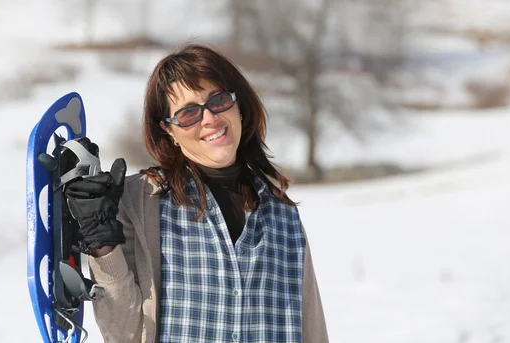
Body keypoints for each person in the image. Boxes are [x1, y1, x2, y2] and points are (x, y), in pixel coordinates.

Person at [64, 43, 328, 343]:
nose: (209, 118)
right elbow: (125, 334)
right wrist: (103, 248)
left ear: (238, 105)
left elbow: (312, 332)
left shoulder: (282, 215)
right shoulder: (141, 201)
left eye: (218, 100)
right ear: (168, 130)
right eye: (188, 113)